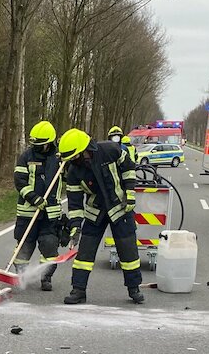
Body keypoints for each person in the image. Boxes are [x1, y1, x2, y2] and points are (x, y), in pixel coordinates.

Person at [58, 128, 144, 305]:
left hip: (120, 207)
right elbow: (74, 203)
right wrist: (75, 226)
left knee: (128, 250)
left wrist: (130, 193)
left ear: (84, 151)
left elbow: (128, 168)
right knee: (85, 252)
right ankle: (78, 290)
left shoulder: (110, 150)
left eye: (74, 156)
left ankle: (134, 288)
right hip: (95, 211)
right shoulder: (74, 171)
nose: (72, 161)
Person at [12, 120, 64, 292]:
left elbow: (71, 179)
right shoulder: (26, 157)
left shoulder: (60, 158)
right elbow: (20, 181)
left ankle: (45, 276)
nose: (36, 147)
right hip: (28, 212)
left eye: (40, 144)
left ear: (49, 142)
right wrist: (34, 198)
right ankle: (21, 275)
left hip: (50, 214)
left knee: (49, 245)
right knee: (24, 245)